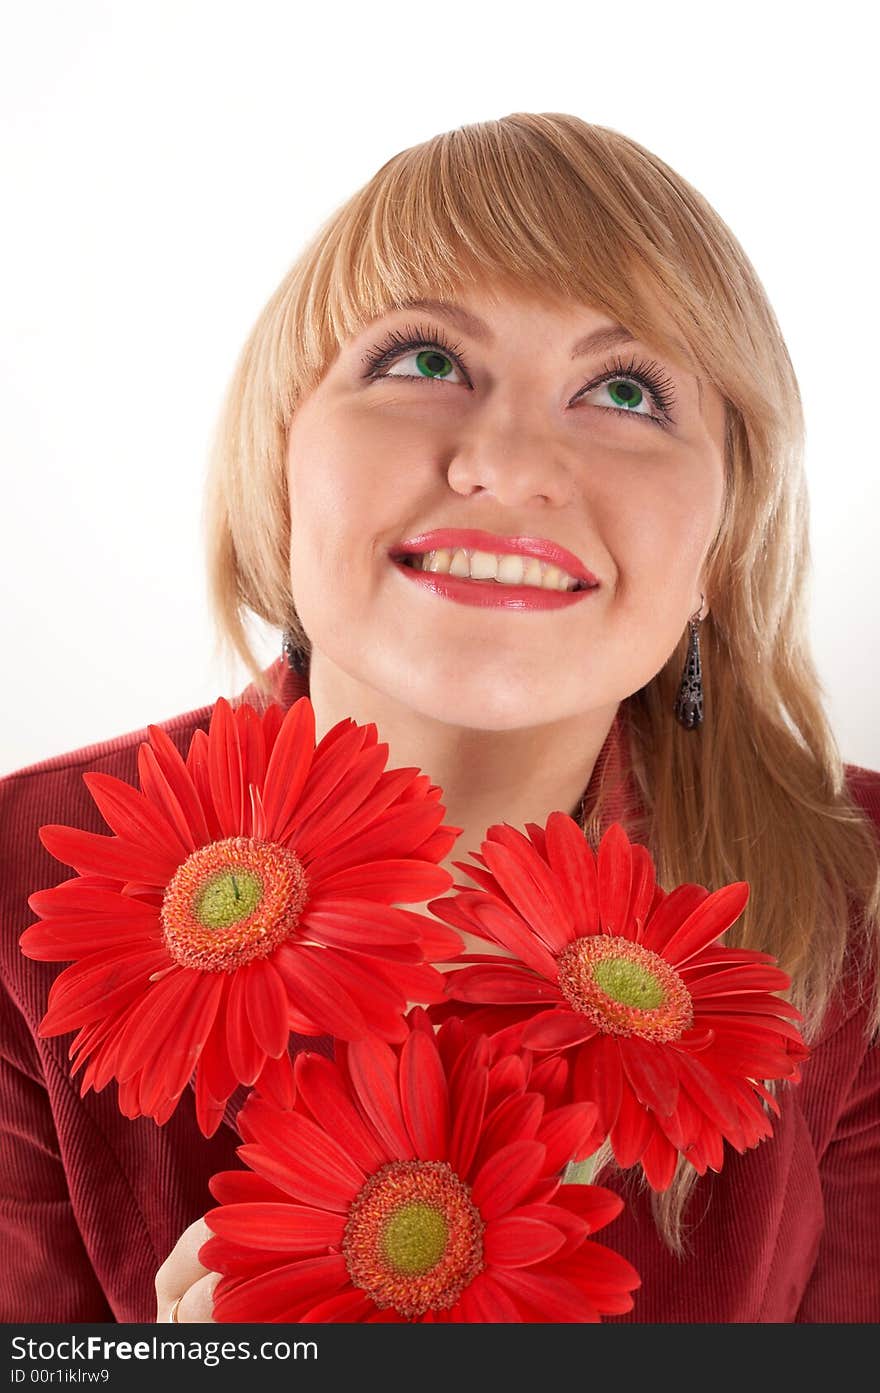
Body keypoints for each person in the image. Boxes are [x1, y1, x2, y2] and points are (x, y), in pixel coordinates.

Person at [1, 112, 878, 1325]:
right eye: (424, 361)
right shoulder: (16, 880)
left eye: (623, 389)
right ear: (282, 456)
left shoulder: (864, 898)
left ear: (722, 544)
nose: (508, 462)